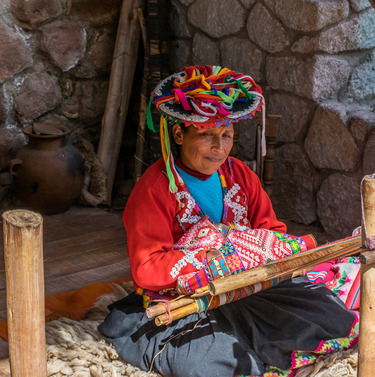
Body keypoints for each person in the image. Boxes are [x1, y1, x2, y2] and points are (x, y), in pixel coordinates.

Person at [98, 65, 359, 377]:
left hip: (245, 289)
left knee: (331, 315)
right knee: (209, 362)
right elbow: (146, 267)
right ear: (179, 134)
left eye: (226, 135)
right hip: (186, 300)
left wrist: (264, 252)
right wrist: (209, 260)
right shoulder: (155, 190)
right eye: (207, 134)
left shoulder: (239, 175)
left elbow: (270, 232)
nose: (219, 147)